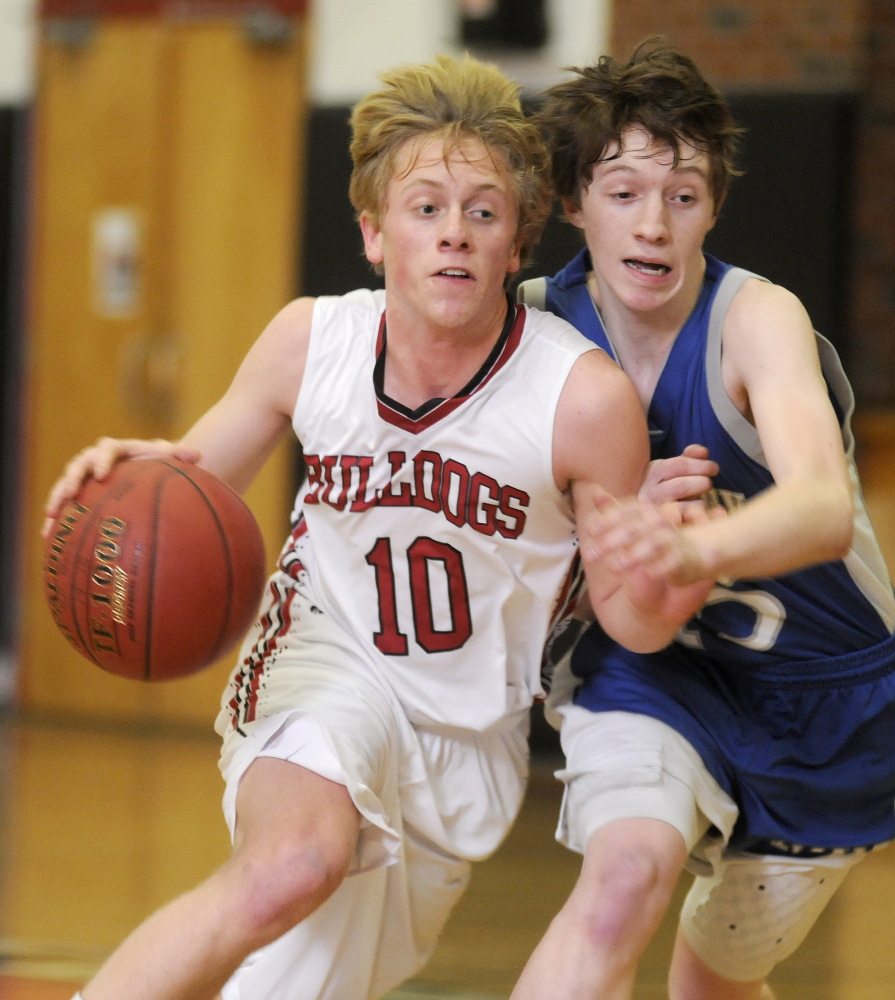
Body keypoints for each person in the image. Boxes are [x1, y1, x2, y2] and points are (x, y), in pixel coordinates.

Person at [44, 54, 712, 1000]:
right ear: (372, 233)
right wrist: (125, 474)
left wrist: (670, 563)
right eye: (425, 209)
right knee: (293, 864)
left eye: (483, 212)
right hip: (322, 658)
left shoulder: (579, 399)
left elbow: (631, 621)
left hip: (463, 740)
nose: (454, 237)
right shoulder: (311, 342)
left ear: (516, 243)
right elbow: (192, 484)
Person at [513, 38, 895, 1000]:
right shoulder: (535, 333)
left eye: (681, 195)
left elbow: (814, 509)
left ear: (712, 207)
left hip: (826, 693)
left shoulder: (755, 317)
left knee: (710, 985)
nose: (654, 222)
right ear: (571, 203)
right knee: (620, 882)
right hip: (654, 666)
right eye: (624, 191)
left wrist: (680, 542)